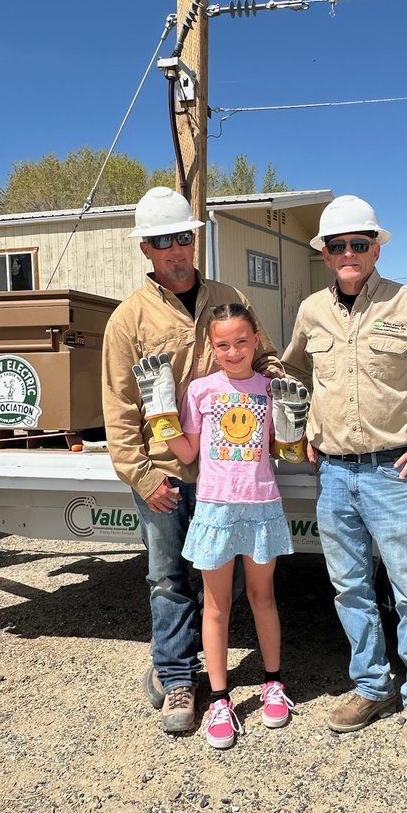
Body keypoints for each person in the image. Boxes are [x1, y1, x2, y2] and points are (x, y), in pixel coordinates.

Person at [282, 195, 407, 760]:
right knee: (349, 587)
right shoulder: (311, 310)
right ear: (323, 253)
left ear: (375, 247)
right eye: (337, 245)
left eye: (358, 244)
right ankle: (372, 687)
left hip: (394, 470)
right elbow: (291, 371)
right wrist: (302, 430)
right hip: (334, 476)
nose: (348, 253)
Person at [102, 187, 283, 735]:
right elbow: (118, 404)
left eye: (183, 236)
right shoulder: (128, 321)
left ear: (194, 238)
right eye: (163, 241)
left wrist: (280, 388)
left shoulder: (226, 296)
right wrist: (142, 472)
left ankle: (220, 673)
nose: (176, 249)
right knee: (166, 579)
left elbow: (265, 356)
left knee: (218, 587)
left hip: (230, 476)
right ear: (146, 250)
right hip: (167, 471)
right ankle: (178, 677)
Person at [150, 302, 301, 749]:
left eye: (241, 342)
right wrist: (158, 410)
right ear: (211, 348)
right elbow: (187, 452)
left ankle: (273, 683)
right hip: (215, 509)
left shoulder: (269, 389)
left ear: (256, 340)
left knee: (262, 597)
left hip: (261, 506)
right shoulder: (200, 390)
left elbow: (284, 450)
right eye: (223, 345)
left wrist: (296, 426)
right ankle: (219, 699)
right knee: (215, 606)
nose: (233, 351)